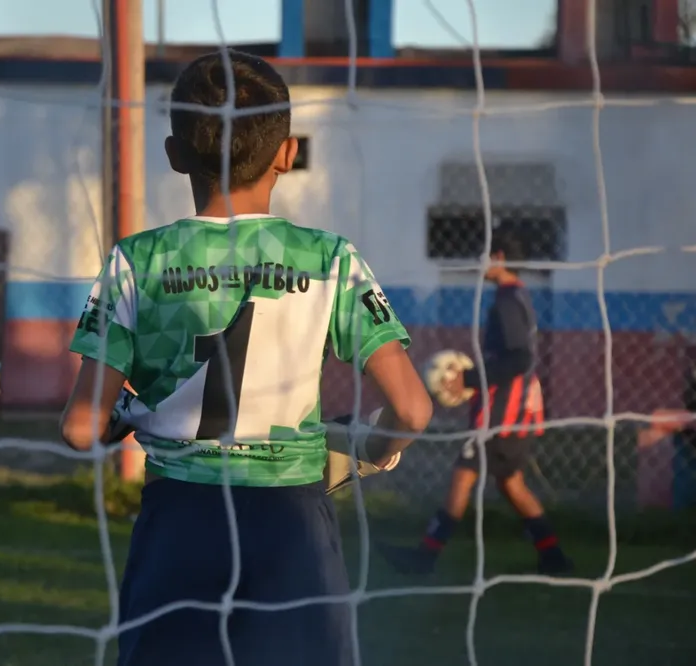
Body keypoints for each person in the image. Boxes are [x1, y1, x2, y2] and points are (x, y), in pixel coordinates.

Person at [59, 51, 433, 666]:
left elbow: (79, 429)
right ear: (287, 153)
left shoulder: (136, 261)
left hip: (179, 522)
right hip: (291, 523)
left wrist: (129, 411)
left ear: (175, 154)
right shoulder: (331, 259)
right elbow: (414, 411)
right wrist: (366, 447)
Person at [379, 232, 574, 576]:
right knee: (511, 482)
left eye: (483, 254)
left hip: (502, 413)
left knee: (462, 476)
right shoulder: (517, 296)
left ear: (498, 257)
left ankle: (424, 558)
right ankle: (553, 556)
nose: (479, 262)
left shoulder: (507, 303)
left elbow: (521, 358)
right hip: (514, 411)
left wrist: (467, 380)